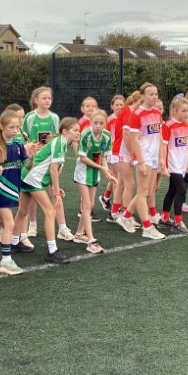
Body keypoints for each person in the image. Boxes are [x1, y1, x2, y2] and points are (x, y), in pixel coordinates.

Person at [11, 117, 82, 264]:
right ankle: (52, 251)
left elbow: (50, 168)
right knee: (50, 212)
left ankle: (13, 242)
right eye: (75, 130)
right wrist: (56, 193)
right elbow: (53, 169)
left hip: (28, 176)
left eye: (79, 130)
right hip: (32, 178)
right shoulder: (60, 142)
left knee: (22, 211)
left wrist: (56, 188)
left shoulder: (61, 143)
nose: (78, 133)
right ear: (65, 131)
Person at [0, 109, 35, 274]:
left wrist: (31, 157)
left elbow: (27, 166)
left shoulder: (17, 144)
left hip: (13, 189)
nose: (15, 130)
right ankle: (6, 261)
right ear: (2, 126)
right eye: (11, 127)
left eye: (17, 127)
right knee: (9, 223)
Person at [121, 82, 166, 240]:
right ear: (143, 96)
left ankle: (126, 216)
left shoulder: (156, 112)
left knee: (148, 191)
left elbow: (159, 136)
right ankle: (147, 227)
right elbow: (134, 140)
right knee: (142, 192)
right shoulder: (137, 114)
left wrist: (161, 157)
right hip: (144, 157)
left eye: (156, 94)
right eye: (151, 94)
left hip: (153, 157)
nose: (154, 97)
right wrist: (140, 162)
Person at [21, 86, 63, 241]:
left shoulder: (54, 118)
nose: (47, 100)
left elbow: (56, 138)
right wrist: (30, 150)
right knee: (32, 193)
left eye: (49, 98)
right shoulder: (30, 117)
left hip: (49, 160)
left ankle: (62, 227)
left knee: (54, 189)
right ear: (36, 100)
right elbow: (24, 137)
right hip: (34, 161)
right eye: (44, 98)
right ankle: (32, 224)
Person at [73, 110, 114, 253]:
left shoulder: (107, 136)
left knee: (90, 205)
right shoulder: (86, 134)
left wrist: (106, 171)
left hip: (94, 173)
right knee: (87, 205)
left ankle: (79, 234)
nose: (98, 125)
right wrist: (102, 168)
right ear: (91, 123)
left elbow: (103, 157)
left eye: (101, 123)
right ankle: (90, 240)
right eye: (95, 123)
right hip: (83, 172)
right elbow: (83, 158)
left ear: (105, 123)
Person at [159, 96, 188, 234]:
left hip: (182, 163)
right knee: (181, 190)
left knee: (172, 191)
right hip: (173, 164)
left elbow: (187, 144)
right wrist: (164, 165)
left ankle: (164, 218)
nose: (186, 114)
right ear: (175, 110)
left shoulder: (187, 124)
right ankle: (178, 222)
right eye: (183, 111)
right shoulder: (168, 125)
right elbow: (163, 146)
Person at [110, 90, 142, 233]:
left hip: (121, 151)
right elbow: (127, 135)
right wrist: (133, 154)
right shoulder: (129, 112)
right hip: (122, 152)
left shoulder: (129, 111)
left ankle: (115, 211)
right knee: (130, 184)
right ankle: (126, 215)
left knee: (122, 182)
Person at [99, 94, 125, 213]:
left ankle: (105, 198)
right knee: (118, 180)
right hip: (112, 153)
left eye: (121, 104)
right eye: (117, 105)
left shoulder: (126, 118)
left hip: (122, 152)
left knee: (119, 178)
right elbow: (105, 137)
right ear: (112, 106)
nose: (119, 107)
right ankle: (117, 209)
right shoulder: (109, 120)